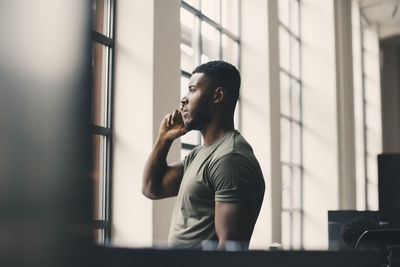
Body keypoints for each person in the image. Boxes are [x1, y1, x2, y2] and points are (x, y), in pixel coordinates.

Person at [142, 60, 265, 249]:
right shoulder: (200, 154)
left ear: (218, 95)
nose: (183, 99)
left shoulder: (230, 159)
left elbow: (230, 251)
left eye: (192, 90)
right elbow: (152, 188)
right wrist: (164, 140)